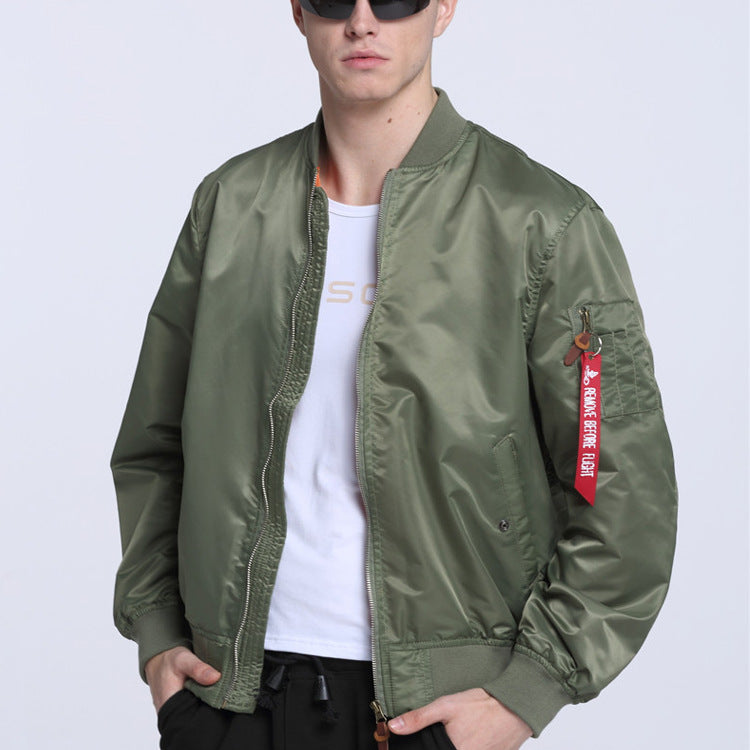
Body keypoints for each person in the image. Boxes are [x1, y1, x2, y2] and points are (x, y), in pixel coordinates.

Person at [111, 1, 678, 748]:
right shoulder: (232, 205)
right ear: (298, 12)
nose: (362, 21)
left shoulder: (541, 222)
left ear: (444, 8)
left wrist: (527, 692)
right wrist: (158, 635)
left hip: (431, 707)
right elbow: (154, 446)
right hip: (230, 693)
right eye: (333, 0)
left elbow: (620, 488)